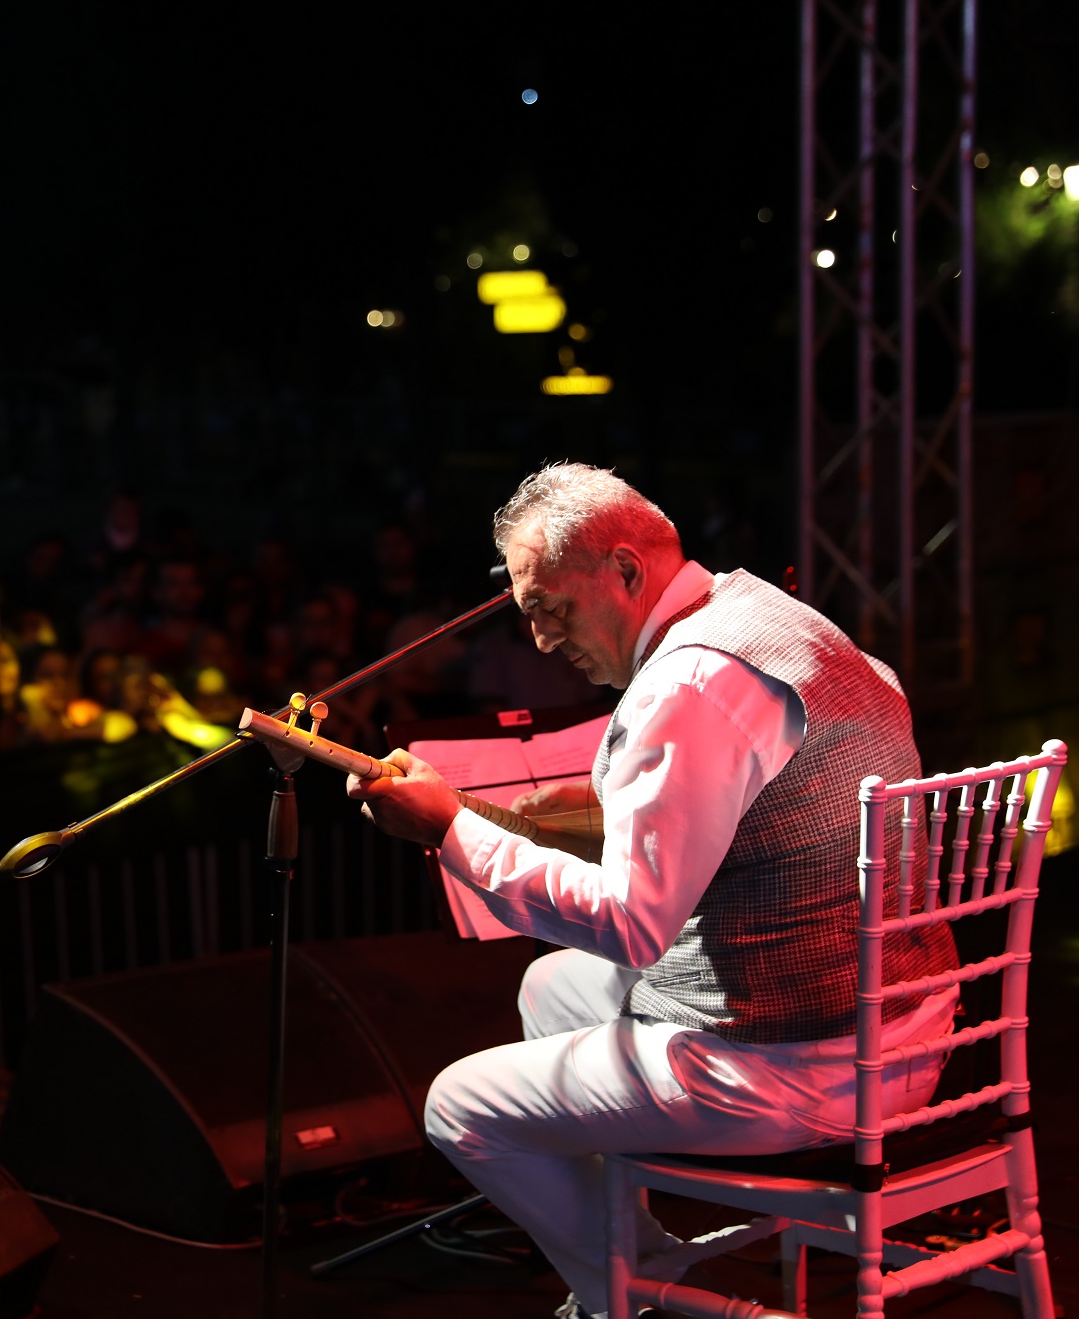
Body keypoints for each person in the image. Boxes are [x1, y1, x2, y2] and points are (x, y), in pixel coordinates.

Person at [345, 464, 959, 1319]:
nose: (542, 641)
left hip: (802, 1065)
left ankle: (626, 1296)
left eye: (550, 608)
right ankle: (638, 1259)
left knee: (459, 1105)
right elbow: (758, 805)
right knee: (551, 985)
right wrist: (597, 808)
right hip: (909, 1022)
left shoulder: (687, 682)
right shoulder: (769, 615)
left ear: (625, 570)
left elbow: (632, 926)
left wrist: (449, 829)